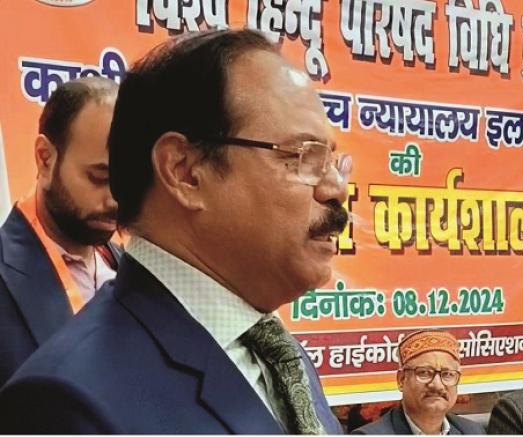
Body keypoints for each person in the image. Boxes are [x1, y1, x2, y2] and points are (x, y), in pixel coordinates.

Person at [0, 29, 351, 433]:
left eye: (331, 161)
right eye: (302, 156)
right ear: (184, 172)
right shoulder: (67, 403)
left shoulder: (279, 356)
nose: (336, 188)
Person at [0, 77, 121, 387]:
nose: (115, 200)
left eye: (127, 181)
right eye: (99, 178)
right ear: (45, 158)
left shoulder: (132, 271)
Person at [352, 330, 485, 435]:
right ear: (401, 380)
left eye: (447, 374)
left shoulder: (472, 431)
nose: (437, 385)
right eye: (424, 373)